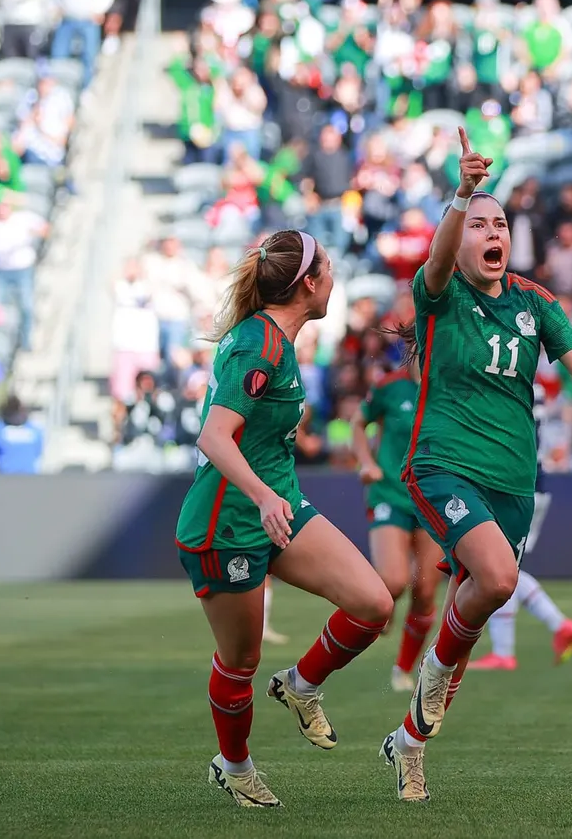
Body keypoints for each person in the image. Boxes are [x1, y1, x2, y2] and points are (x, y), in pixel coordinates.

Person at [381, 129, 572, 802]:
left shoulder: (534, 301)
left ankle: (409, 742)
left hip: (513, 478)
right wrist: (461, 192)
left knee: (485, 600)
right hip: (444, 462)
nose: (491, 230)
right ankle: (434, 674)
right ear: (461, 236)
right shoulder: (438, 291)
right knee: (498, 579)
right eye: (479, 223)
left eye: (500, 221)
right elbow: (434, 262)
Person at [174, 230, 394, 808]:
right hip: (227, 524)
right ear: (310, 284)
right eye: (327, 268)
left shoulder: (277, 340)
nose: (333, 278)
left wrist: (277, 497)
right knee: (240, 663)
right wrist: (264, 498)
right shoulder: (259, 345)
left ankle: (301, 684)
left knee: (373, 604)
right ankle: (235, 765)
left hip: (280, 506)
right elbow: (215, 438)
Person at [471, 381, 572, 671]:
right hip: (533, 482)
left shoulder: (509, 380)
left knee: (501, 568)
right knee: (507, 567)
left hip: (516, 484)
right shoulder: (532, 384)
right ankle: (556, 626)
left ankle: (506, 651)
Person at [350, 358, 444, 693]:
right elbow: (358, 423)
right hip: (390, 490)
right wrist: (366, 462)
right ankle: (378, 610)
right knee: (393, 580)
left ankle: (403, 669)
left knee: (427, 590)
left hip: (434, 497)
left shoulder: (451, 383)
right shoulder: (390, 386)